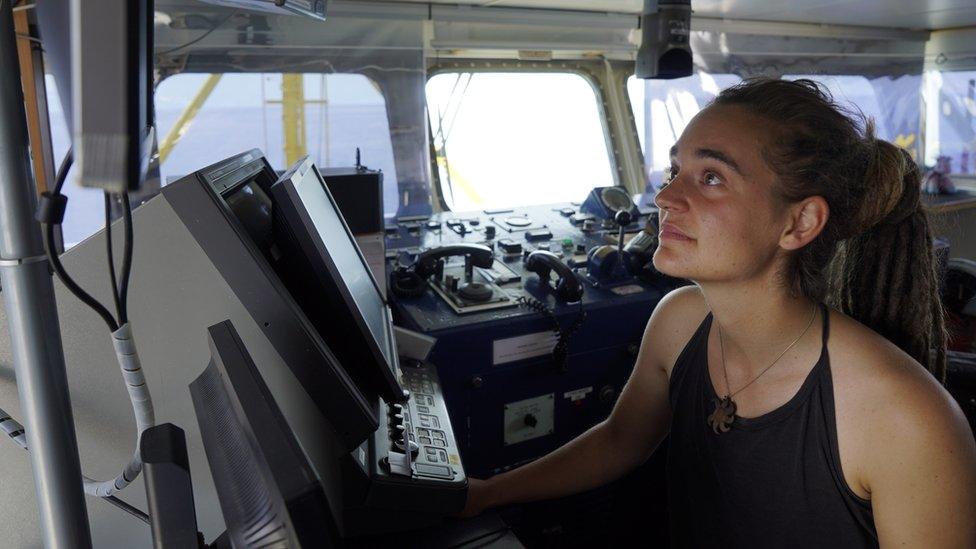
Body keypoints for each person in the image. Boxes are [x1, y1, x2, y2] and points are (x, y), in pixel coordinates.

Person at [461, 78, 976, 547]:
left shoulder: (907, 419)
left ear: (799, 223)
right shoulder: (679, 320)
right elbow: (621, 442)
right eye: (674, 170)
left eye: (710, 177)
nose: (664, 197)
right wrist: (487, 493)